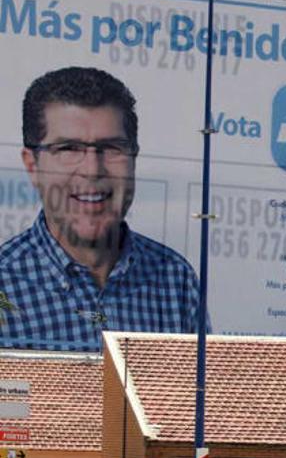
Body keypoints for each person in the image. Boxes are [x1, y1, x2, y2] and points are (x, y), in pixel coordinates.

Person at [0, 67, 202, 351]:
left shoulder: (175, 281)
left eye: (111, 148)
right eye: (69, 149)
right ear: (32, 165)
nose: (93, 170)